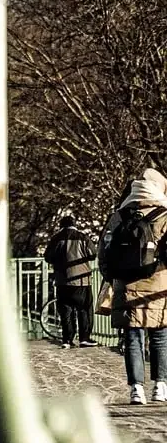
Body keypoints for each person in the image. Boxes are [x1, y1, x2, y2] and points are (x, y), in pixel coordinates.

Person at [105, 169, 167, 405]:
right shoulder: (165, 214)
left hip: (126, 284)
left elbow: (104, 252)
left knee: (133, 337)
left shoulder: (119, 216)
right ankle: (160, 386)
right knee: (160, 336)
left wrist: (112, 278)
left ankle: (136, 389)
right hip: (159, 283)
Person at [44, 212, 97, 346]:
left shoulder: (56, 238)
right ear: (74, 225)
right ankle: (84, 338)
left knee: (65, 310)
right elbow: (93, 254)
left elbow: (48, 257)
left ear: (61, 226)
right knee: (84, 309)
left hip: (62, 280)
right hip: (81, 280)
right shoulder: (83, 237)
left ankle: (67, 339)